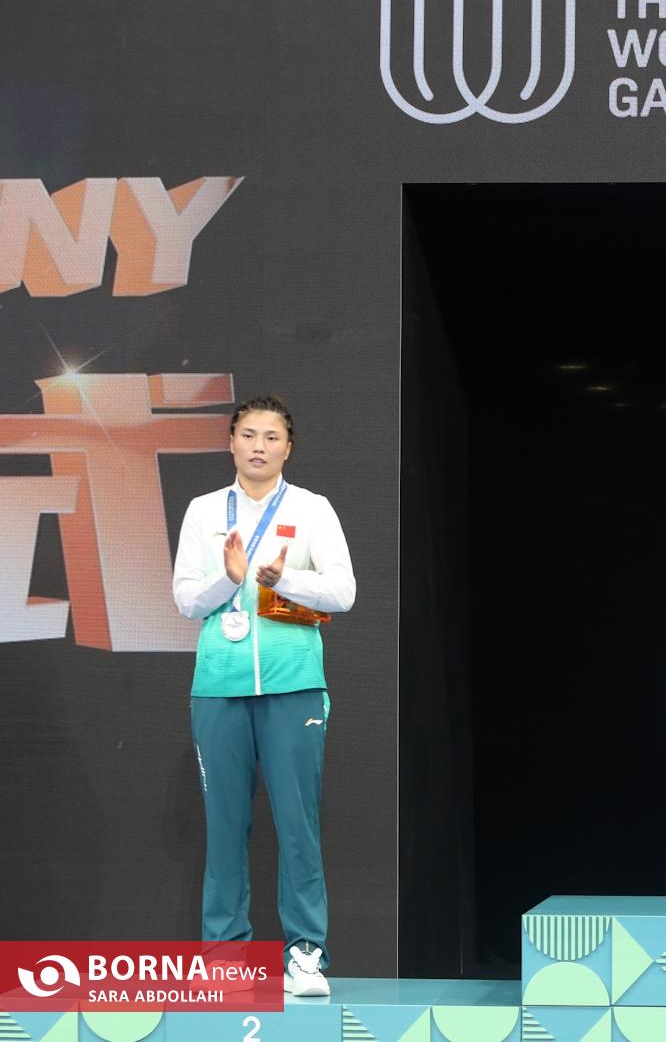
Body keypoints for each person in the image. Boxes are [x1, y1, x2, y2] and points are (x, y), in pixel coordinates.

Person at [171, 394, 356, 997]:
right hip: (218, 687)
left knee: (298, 825)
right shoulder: (204, 511)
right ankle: (226, 958)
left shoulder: (311, 508)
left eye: (271, 437)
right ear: (230, 443)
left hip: (293, 684)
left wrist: (286, 579)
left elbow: (343, 592)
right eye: (248, 434)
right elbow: (184, 600)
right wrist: (226, 579)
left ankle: (305, 955)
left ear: (288, 447)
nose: (258, 446)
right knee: (224, 826)